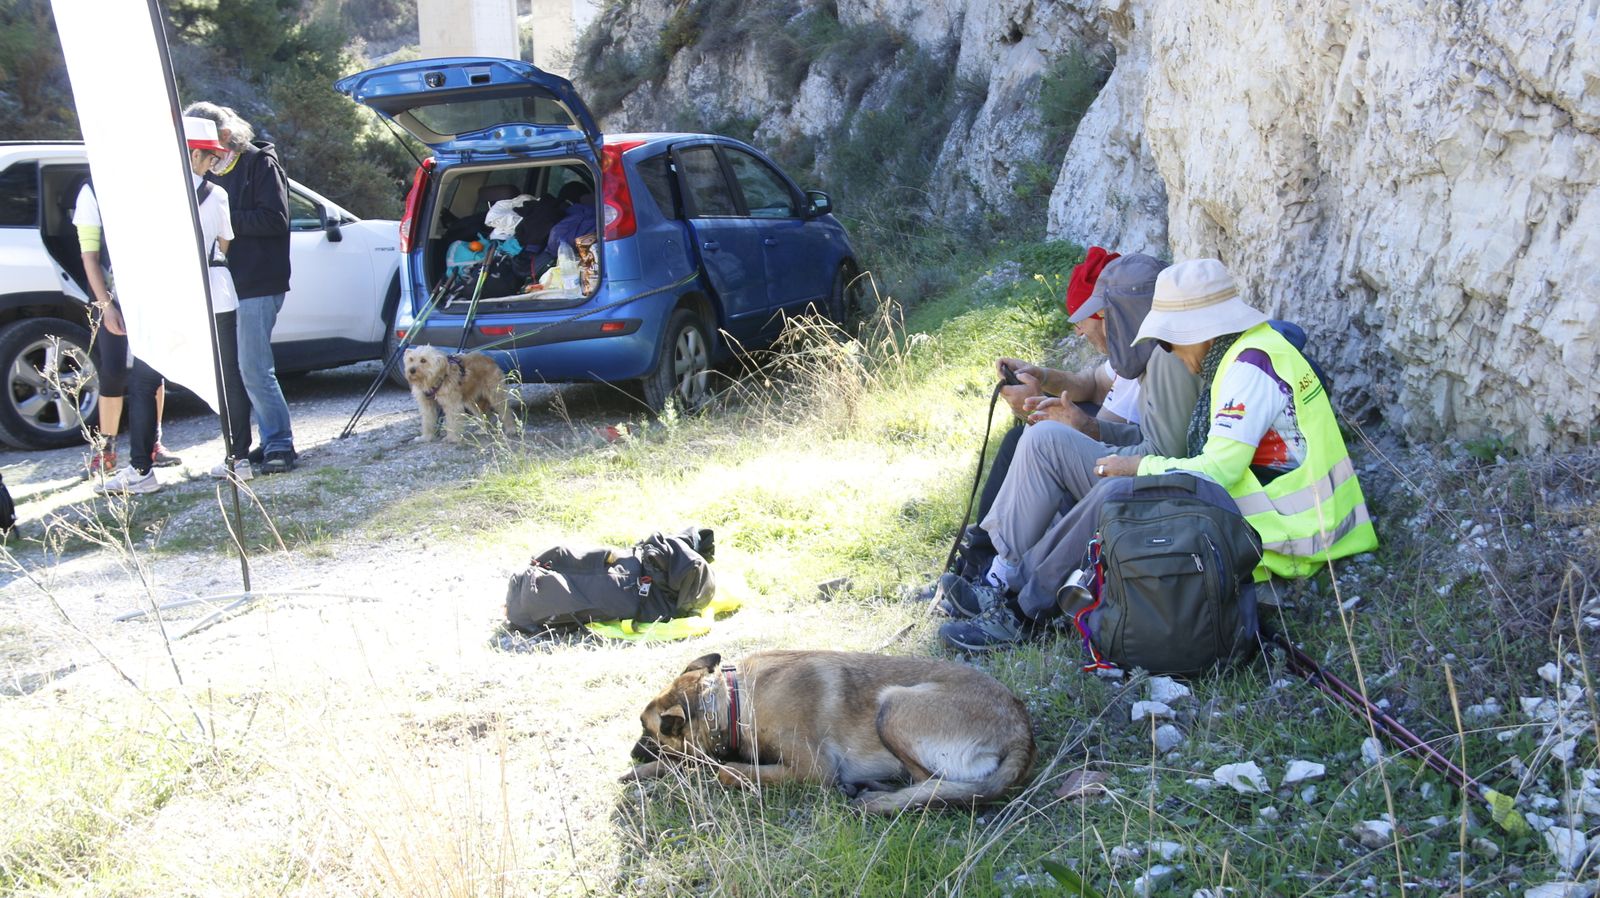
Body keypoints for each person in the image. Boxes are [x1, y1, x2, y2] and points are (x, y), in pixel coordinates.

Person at [938, 258, 1377, 651]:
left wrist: (1138, 466)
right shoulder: (1246, 353)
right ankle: (1009, 585)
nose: (1165, 351)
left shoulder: (1248, 368)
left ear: (1197, 331)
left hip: (1294, 538)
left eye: (1169, 341)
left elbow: (1217, 471)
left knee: (1119, 493)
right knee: (1101, 474)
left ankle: (1021, 614)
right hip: (1287, 522)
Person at [938, 252, 1198, 609]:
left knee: (1042, 439)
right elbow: (1139, 430)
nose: (1096, 326)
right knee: (1036, 436)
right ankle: (993, 573)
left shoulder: (1167, 360)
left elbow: (1166, 457)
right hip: (1142, 474)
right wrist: (1062, 400)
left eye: (1104, 316)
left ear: (1128, 313)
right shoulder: (1148, 357)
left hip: (1157, 492)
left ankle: (997, 579)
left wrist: (1086, 429)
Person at [97, 118, 238, 494]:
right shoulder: (218, 195)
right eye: (209, 158)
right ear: (195, 154)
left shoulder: (150, 194)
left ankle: (141, 470)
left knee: (144, 381)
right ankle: (237, 457)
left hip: (168, 298)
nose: (211, 164)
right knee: (227, 378)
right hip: (213, 294)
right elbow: (224, 244)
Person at [184, 101, 297, 475]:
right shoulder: (203, 173)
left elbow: (275, 220)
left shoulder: (259, 163)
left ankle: (280, 443)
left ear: (226, 136)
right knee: (236, 370)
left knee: (253, 368)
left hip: (258, 280)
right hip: (223, 283)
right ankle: (258, 444)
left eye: (207, 147)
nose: (204, 157)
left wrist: (221, 216)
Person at [74, 181, 182, 477]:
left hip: (150, 294)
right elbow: (89, 256)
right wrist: (106, 306)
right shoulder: (92, 190)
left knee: (153, 367)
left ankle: (153, 444)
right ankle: (105, 452)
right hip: (109, 295)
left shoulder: (144, 179)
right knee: (112, 371)